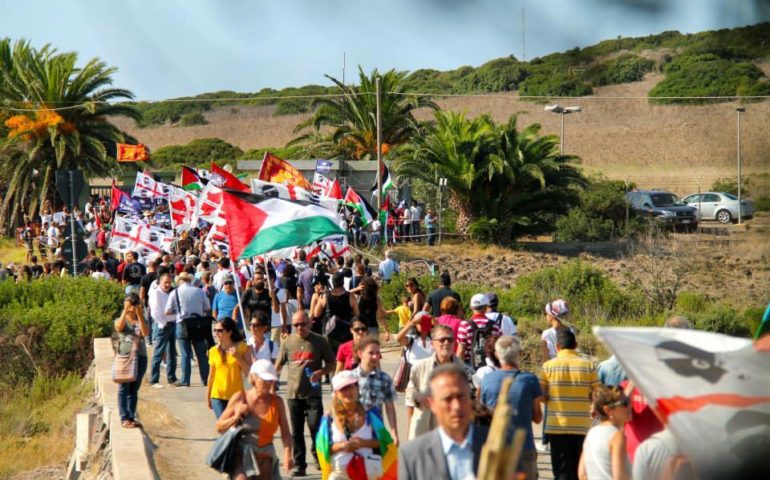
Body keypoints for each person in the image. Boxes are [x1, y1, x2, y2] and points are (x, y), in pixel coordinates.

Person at [399, 364, 489, 480]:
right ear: (432, 404)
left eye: (461, 396)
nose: (456, 406)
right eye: (448, 399)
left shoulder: (496, 444)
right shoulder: (412, 455)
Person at [275, 311, 335, 477]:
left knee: (316, 427)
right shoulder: (288, 342)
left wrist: (320, 373)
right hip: (293, 394)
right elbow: (278, 365)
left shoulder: (319, 341)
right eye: (295, 325)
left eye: (302, 324)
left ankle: (318, 455)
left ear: (309, 323)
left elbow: (332, 363)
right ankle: (300, 464)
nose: (299, 328)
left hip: (313, 393)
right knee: (297, 431)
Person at [479, 336, 544, 479]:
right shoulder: (530, 380)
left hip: (495, 447)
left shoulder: (486, 381)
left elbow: (480, 414)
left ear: (497, 354)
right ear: (519, 353)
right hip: (523, 446)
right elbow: (538, 418)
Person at [215, 360, 294, 479]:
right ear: (253, 378)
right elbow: (219, 427)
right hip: (241, 454)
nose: (268, 383)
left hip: (265, 455)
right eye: (264, 380)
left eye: (270, 380)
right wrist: (236, 417)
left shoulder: (277, 402)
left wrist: (288, 454)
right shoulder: (240, 398)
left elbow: (286, 432)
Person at [540, 330, 600, 480]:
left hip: (556, 427)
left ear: (558, 347)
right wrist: (593, 406)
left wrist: (550, 400)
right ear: (576, 345)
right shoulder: (589, 366)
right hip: (581, 427)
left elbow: (541, 396)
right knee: (580, 472)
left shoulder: (547, 367)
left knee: (561, 472)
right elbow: (598, 394)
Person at [316, 370, 398, 480]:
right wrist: (342, 446)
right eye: (343, 389)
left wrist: (364, 443)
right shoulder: (329, 418)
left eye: (351, 387)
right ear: (336, 394)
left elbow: (384, 442)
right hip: (339, 472)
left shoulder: (371, 414)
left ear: (357, 388)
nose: (348, 392)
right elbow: (323, 449)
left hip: (368, 471)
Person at [404, 325, 467, 440]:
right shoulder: (419, 367)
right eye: (442, 339)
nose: (447, 343)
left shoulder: (463, 369)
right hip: (424, 431)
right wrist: (419, 397)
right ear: (432, 344)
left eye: (450, 340)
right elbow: (409, 397)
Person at [165, 272, 212, 387]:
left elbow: (167, 311)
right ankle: (206, 379)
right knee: (201, 353)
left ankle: (185, 380)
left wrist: (178, 311)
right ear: (189, 280)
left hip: (182, 323)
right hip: (198, 324)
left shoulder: (174, 292)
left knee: (185, 354)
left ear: (179, 281)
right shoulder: (199, 291)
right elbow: (208, 308)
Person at [578, 386, 632, 480]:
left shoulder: (592, 433)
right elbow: (619, 477)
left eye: (629, 401)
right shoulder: (617, 436)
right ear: (608, 410)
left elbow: (582, 474)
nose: (630, 406)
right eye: (624, 403)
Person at [352, 337, 399, 445]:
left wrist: (394, 432)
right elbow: (338, 406)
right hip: (354, 435)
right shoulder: (349, 378)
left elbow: (390, 408)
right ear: (360, 354)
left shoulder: (384, 379)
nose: (375, 356)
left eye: (377, 353)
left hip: (376, 435)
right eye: (371, 353)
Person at [115, 293, 149, 429]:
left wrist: (139, 314)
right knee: (124, 388)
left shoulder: (141, 318)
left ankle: (131, 416)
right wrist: (125, 310)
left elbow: (145, 333)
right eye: (127, 303)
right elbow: (119, 327)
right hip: (125, 355)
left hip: (140, 356)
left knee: (134, 388)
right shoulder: (121, 319)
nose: (130, 307)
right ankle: (124, 418)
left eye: (132, 304)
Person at [207, 317, 253, 419]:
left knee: (235, 429)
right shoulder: (213, 351)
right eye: (215, 330)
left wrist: (238, 358)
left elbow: (249, 372)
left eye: (220, 330)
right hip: (217, 396)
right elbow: (211, 376)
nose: (216, 333)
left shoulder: (242, 348)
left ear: (229, 332)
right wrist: (208, 396)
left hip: (236, 396)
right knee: (224, 426)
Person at [312, 271, 359, 354]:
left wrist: (320, 299)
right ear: (343, 282)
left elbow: (316, 314)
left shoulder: (325, 296)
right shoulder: (350, 296)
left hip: (329, 332)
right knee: (345, 359)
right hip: (346, 333)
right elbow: (357, 314)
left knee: (332, 361)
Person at [149, 273, 178, 388]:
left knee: (172, 353)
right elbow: (154, 312)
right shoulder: (156, 293)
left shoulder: (172, 292)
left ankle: (171, 377)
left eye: (169, 282)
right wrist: (163, 323)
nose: (167, 285)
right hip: (163, 326)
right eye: (165, 282)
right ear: (160, 282)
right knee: (158, 353)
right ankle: (154, 380)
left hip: (173, 324)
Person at [456, 294, 502, 365]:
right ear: (486, 307)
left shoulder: (464, 325)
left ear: (471, 307)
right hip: (489, 365)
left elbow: (461, 350)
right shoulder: (495, 325)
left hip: (469, 365)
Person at [542, 299, 572, 363]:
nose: (545, 316)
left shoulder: (546, 334)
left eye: (546, 313)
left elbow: (546, 360)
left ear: (551, 315)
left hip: (554, 369)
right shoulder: (571, 331)